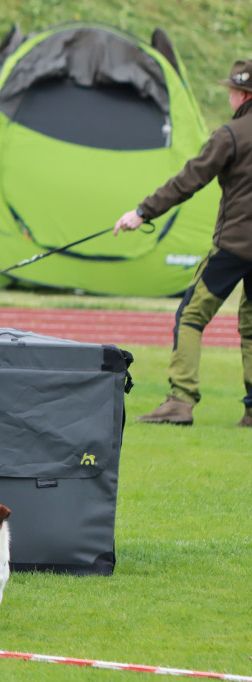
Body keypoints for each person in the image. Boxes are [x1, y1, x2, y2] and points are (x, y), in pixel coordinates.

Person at [115, 59, 252, 428]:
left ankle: (180, 400)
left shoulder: (231, 134)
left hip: (235, 246)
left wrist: (143, 212)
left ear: (240, 94)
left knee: (191, 316)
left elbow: (189, 180)